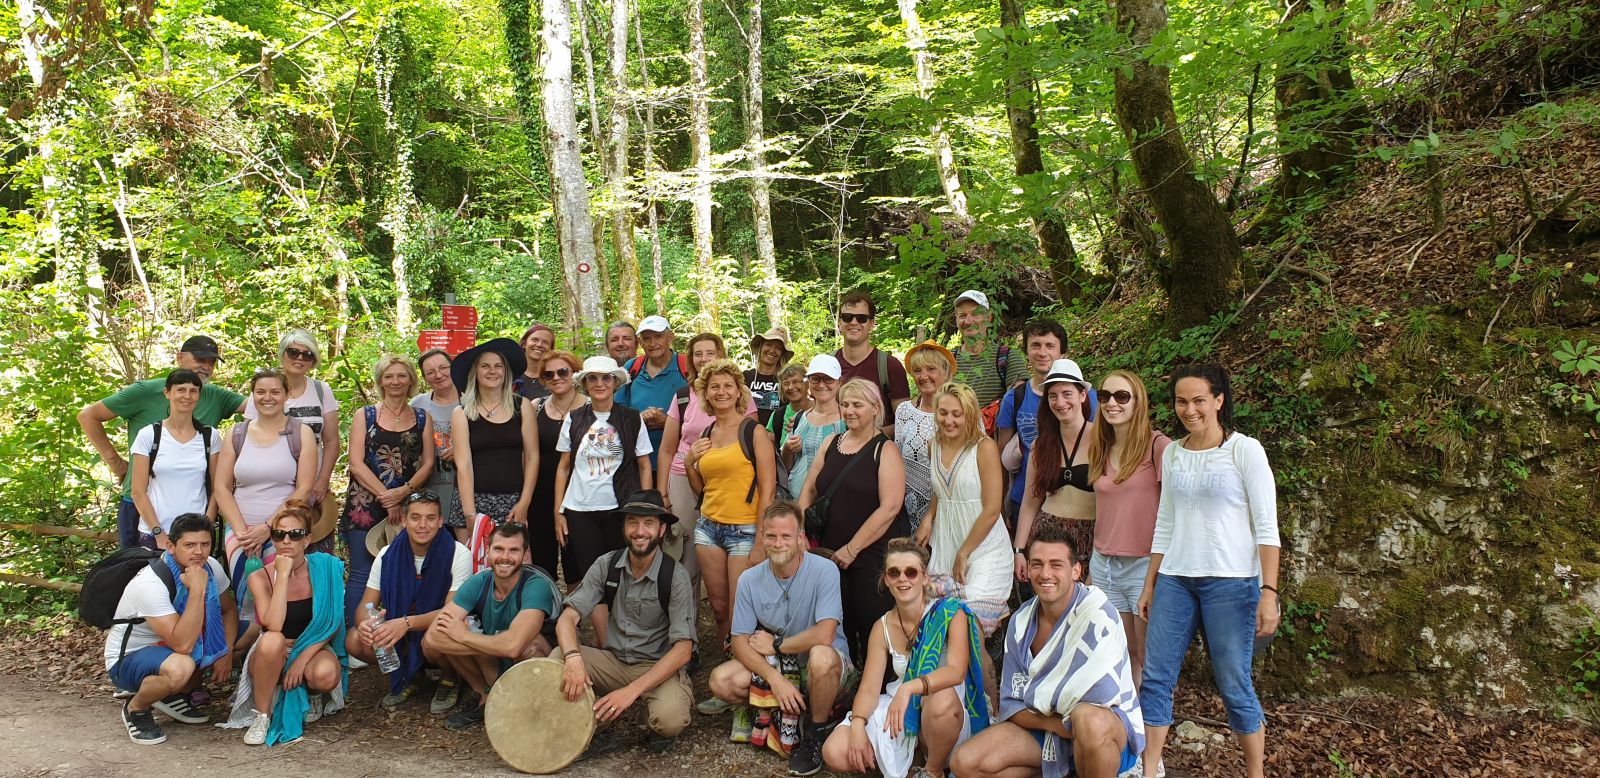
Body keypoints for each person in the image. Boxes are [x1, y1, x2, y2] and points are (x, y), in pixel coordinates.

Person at [1136, 364, 1280, 778]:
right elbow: (1165, 523)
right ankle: (1150, 770)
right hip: (1175, 580)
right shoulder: (1174, 453)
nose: (1190, 409)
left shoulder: (1244, 450)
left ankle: (1255, 773)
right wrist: (1150, 585)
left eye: (1199, 400)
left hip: (1232, 582)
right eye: (1182, 401)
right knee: (1157, 679)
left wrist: (1268, 592)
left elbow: (1267, 526)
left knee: (1234, 685)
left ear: (1218, 400)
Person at [949, 522, 1143, 778]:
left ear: (1076, 570)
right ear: (1027, 569)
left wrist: (1040, 700)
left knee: (1088, 720)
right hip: (1052, 731)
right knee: (965, 762)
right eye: (1037, 564)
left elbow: (1097, 696)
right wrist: (1054, 724)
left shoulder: (1097, 613)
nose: (1045, 573)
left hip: (1105, 734)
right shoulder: (1021, 621)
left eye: (1056, 564)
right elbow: (1012, 704)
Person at [822, 538, 990, 778]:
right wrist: (858, 724)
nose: (903, 578)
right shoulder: (882, 627)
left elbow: (956, 672)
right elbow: (869, 688)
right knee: (835, 751)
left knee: (939, 698)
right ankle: (908, 762)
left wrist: (908, 688)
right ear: (886, 580)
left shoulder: (949, 613)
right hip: (898, 706)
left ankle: (932, 770)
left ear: (924, 577)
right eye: (894, 572)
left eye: (911, 572)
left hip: (944, 709)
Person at [706, 503, 852, 776]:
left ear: (800, 537)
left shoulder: (825, 570)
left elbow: (825, 634)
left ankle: (815, 733)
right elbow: (739, 641)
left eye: (786, 536)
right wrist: (776, 680)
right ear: (761, 536)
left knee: (821, 656)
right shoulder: (749, 579)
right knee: (720, 681)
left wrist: (776, 644)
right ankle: (783, 708)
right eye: (770, 536)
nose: (778, 543)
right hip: (782, 669)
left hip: (828, 669)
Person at [556, 490, 695, 754]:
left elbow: (683, 650)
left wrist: (630, 692)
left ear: (662, 530)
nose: (639, 531)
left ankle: (642, 715)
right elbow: (567, 618)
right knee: (557, 657)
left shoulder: (674, 576)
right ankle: (591, 721)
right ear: (624, 526)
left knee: (670, 719)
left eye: (648, 523)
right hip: (613, 662)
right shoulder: (606, 564)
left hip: (655, 666)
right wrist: (573, 657)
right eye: (633, 522)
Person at [78, 335, 245, 549]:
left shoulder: (216, 396)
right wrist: (117, 464)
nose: (206, 366)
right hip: (139, 503)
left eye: (211, 362)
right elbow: (88, 416)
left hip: (193, 512)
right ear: (180, 357)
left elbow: (265, 404)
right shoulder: (146, 391)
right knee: (136, 576)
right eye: (200, 359)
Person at [104, 512, 239, 745]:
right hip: (129, 658)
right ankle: (137, 707)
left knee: (252, 631)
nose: (198, 552)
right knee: (181, 666)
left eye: (205, 544)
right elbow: (183, 644)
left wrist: (225, 650)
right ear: (170, 546)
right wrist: (197, 590)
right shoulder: (151, 584)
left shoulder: (211, 567)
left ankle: (171, 694)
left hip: (171, 645)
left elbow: (229, 610)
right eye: (189, 545)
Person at [798, 378, 905, 664]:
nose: (849, 410)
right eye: (844, 404)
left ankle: (878, 689)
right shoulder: (832, 443)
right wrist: (798, 531)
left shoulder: (885, 450)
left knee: (871, 621)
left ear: (875, 408)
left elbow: (890, 507)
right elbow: (809, 488)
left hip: (870, 554)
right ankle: (842, 684)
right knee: (837, 622)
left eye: (857, 404)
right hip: (829, 552)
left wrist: (852, 548)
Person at [222, 501, 347, 746]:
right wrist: (281, 577)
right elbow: (274, 624)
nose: (286, 541)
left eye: (295, 534)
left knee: (326, 675)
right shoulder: (260, 575)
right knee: (273, 639)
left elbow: (330, 623)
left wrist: (300, 661)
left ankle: (307, 694)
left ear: (307, 540)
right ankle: (262, 715)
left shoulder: (325, 568)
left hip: (312, 647)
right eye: (279, 535)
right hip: (271, 653)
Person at [422, 522, 559, 732]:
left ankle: (534, 707)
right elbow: (432, 638)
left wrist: (465, 638)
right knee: (454, 631)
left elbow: (514, 646)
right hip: (496, 659)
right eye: (499, 549)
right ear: (488, 551)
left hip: (535, 663)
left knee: (529, 645)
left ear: (525, 554)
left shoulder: (535, 585)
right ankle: (488, 696)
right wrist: (479, 642)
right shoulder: (480, 581)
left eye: (514, 550)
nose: (505, 557)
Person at [213, 369, 317, 639]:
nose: (267, 397)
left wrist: (268, 528)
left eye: (274, 392)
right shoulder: (236, 434)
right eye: (260, 392)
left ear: (286, 395)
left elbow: (304, 487)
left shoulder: (301, 433)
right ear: (252, 394)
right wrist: (242, 532)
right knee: (246, 594)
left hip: (284, 531)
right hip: (240, 531)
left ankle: (282, 650)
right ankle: (250, 654)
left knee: (280, 591)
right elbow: (222, 487)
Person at [346, 492, 472, 709]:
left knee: (441, 632)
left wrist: (405, 623)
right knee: (354, 639)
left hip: (437, 629)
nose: (423, 525)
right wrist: (367, 623)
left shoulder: (458, 554)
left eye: (430, 518)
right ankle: (413, 676)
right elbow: (365, 606)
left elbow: (452, 612)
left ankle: (450, 678)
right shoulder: (387, 555)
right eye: (416, 517)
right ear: (404, 520)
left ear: (440, 521)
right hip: (402, 631)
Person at [686, 359, 777, 651]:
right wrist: (690, 463)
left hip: (745, 530)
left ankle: (743, 668)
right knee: (719, 605)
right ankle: (727, 660)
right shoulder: (705, 434)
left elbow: (768, 489)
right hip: (708, 528)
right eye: (714, 387)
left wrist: (761, 541)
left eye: (728, 386)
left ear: (739, 392)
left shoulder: (754, 432)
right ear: (706, 393)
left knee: (742, 609)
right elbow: (702, 490)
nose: (721, 392)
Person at [1085, 370, 1169, 686]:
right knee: (1117, 650)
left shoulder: (1157, 446)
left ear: (1138, 402)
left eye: (1122, 397)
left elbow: (1177, 507)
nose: (1111, 403)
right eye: (1105, 396)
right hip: (1105, 563)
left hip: (1144, 564)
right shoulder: (1101, 446)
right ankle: (1128, 723)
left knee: (1146, 652)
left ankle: (1153, 726)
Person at [341, 355, 437, 623]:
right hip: (365, 505)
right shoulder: (366, 415)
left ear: (411, 381)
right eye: (389, 376)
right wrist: (387, 498)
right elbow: (356, 463)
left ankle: (400, 632)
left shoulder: (421, 417)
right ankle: (355, 636)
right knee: (362, 572)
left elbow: (428, 463)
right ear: (381, 381)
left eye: (401, 376)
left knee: (406, 571)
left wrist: (403, 493)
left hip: (409, 506)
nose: (395, 381)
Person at [916, 383, 1011, 640]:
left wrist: (964, 551)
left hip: (983, 546)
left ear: (969, 414)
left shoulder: (984, 448)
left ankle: (983, 680)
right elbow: (944, 487)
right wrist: (929, 517)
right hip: (947, 541)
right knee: (940, 626)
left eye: (957, 414)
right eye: (943, 412)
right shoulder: (933, 445)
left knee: (970, 626)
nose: (949, 420)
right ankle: (948, 679)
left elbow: (992, 509)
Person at [554, 355, 654, 589]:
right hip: (580, 509)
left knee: (621, 575)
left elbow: (644, 465)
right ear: (585, 384)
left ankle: (620, 624)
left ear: (615, 382)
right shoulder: (574, 418)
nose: (600, 383)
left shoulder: (631, 418)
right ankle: (601, 625)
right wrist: (558, 513)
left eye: (606, 378)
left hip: (620, 508)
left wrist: (645, 508)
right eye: (593, 378)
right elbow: (563, 467)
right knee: (591, 577)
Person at [450, 338, 539, 559]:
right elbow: (464, 465)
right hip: (473, 500)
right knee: (475, 570)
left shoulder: (522, 406)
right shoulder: (462, 413)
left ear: (506, 371)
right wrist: (470, 515)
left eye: (498, 365)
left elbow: (532, 457)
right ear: (475, 372)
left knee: (518, 565)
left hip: (513, 501)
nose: (492, 371)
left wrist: (524, 502)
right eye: (485, 366)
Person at [1012, 358, 1096, 583]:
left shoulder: (1102, 440)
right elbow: (1031, 501)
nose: (1060, 402)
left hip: (1090, 538)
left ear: (1082, 395)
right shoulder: (1042, 444)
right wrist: (1020, 550)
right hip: (1048, 536)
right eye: (1053, 396)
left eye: (1067, 394)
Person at [244, 329, 341, 520]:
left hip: (312, 486)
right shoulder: (266, 391)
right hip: (271, 485)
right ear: (282, 354)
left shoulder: (322, 390)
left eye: (307, 354)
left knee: (306, 541)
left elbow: (331, 441)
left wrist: (322, 479)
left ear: (313, 361)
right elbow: (247, 437)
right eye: (293, 352)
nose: (300, 358)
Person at [128, 370, 222, 550]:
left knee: (197, 579)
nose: (187, 396)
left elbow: (218, 488)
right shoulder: (149, 435)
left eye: (193, 391)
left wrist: (207, 527)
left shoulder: (210, 437)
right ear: (167, 393)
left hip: (197, 537)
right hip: (155, 534)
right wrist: (158, 533)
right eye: (180, 390)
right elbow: (138, 492)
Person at [996, 320, 1066, 528]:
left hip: (1072, 501)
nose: (1042, 352)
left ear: (1062, 353)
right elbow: (1000, 456)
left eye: (1049, 346)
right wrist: (1001, 503)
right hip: (1024, 498)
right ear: (1026, 352)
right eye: (1035, 345)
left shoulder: (1083, 398)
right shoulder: (1014, 398)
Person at [528, 349, 585, 581]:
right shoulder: (536, 406)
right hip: (540, 492)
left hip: (579, 493)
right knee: (542, 559)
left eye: (563, 371)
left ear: (575, 374)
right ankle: (545, 611)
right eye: (548, 375)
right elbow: (527, 452)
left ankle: (575, 614)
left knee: (575, 559)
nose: (556, 378)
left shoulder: (591, 406)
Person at [896, 341, 956, 536]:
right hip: (909, 508)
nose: (923, 376)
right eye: (917, 370)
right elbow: (897, 460)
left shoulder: (962, 412)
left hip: (951, 508)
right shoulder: (904, 411)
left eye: (931, 369)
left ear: (946, 372)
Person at [616, 315, 690, 468]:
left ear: (670, 337)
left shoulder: (686, 366)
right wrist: (639, 418)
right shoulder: (632, 368)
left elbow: (704, 415)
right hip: (638, 461)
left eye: (658, 337)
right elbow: (617, 412)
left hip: (680, 462)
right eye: (647, 338)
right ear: (640, 342)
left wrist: (668, 423)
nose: (653, 343)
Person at [834, 291, 910, 438]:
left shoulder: (889, 366)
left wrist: (868, 437)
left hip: (876, 454)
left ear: (872, 324)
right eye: (847, 317)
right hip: (833, 450)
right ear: (840, 322)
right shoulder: (829, 363)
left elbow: (905, 421)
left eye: (862, 318)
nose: (854, 322)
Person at [781, 355, 844, 500]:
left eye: (828, 379)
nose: (821, 385)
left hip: (833, 502)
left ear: (839, 382)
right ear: (809, 382)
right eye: (815, 379)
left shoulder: (849, 420)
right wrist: (788, 448)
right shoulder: (798, 419)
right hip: (797, 501)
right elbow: (786, 466)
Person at [411, 348, 462, 528]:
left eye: (443, 368)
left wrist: (463, 450)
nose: (438, 375)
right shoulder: (417, 404)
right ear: (425, 378)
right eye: (430, 372)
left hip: (466, 490)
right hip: (431, 491)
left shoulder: (471, 400)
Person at [950, 290, 1028, 406]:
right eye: (962, 315)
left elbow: (1018, 405)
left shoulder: (1007, 357)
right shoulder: (946, 359)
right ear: (956, 319)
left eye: (975, 314)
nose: (968, 321)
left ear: (988, 317)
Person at [746, 326, 794, 426]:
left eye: (778, 348)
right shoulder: (745, 377)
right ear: (761, 347)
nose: (772, 351)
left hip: (777, 438)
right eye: (768, 344)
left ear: (782, 353)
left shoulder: (786, 380)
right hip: (747, 436)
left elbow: (794, 408)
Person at [766, 362, 811, 451]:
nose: (790, 387)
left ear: (807, 383)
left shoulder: (820, 411)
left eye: (796, 382)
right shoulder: (778, 416)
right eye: (786, 383)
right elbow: (768, 450)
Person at [516, 323, 555, 401]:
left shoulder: (556, 377)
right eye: (534, 340)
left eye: (545, 342)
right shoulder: (511, 375)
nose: (539, 345)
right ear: (524, 344)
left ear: (551, 349)